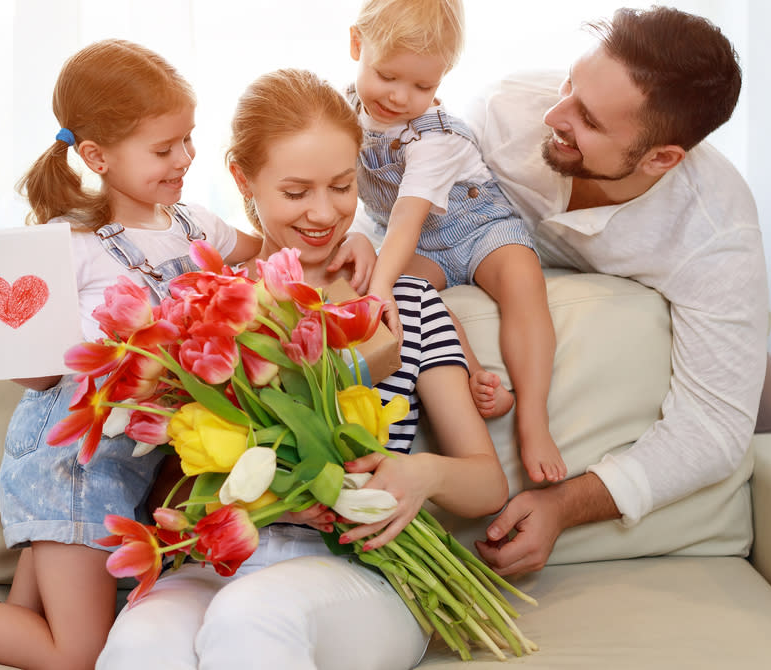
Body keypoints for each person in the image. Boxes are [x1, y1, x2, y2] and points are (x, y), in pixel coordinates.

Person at [0, 40, 373, 669]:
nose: (184, 158)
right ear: (96, 156)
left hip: (132, 463)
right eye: (163, 148)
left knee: (25, 622)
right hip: (75, 459)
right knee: (77, 653)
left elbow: (278, 256)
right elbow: (41, 375)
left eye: (187, 139)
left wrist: (358, 238)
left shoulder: (195, 224)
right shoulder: (71, 244)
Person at [95, 68, 508, 670]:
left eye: (342, 186)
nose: (324, 213)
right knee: (141, 638)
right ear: (243, 179)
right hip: (222, 558)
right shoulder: (201, 308)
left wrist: (420, 475)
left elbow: (486, 485)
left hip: (360, 570)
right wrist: (259, 497)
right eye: (296, 192)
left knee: (254, 615)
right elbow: (165, 486)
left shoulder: (405, 304)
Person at [468, 6, 771, 576]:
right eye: (569, 85)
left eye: (588, 118)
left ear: (661, 159)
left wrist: (564, 505)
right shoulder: (502, 117)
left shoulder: (716, 231)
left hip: (704, 310)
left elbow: (713, 428)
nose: (554, 115)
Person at [347, 0, 565, 484]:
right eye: (387, 75)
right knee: (410, 296)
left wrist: (375, 287)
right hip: (422, 243)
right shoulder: (341, 114)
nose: (400, 96)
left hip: (478, 225)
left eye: (423, 84)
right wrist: (370, 261)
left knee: (521, 282)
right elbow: (342, 190)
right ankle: (476, 375)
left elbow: (404, 219)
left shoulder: (435, 136)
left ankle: (532, 416)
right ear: (356, 44)